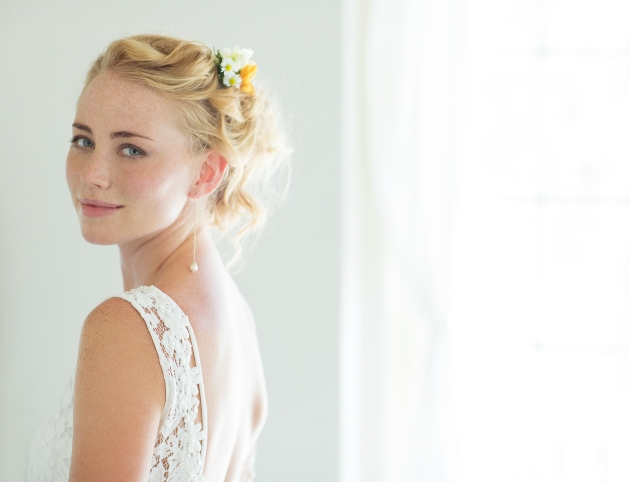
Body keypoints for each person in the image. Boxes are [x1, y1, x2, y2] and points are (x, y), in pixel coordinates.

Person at [27, 34, 290, 482]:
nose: (92, 174)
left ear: (205, 174)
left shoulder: (128, 326)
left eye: (132, 149)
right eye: (83, 140)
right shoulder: (235, 316)